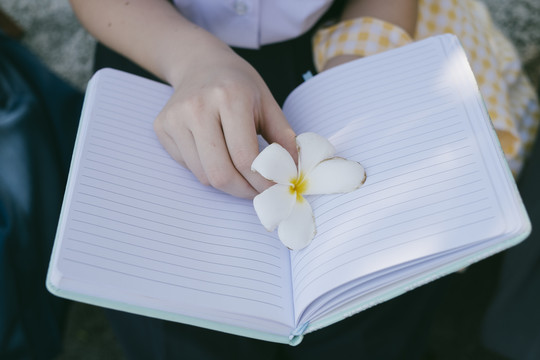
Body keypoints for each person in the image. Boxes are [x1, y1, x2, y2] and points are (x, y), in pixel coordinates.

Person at [66, 0, 539, 359]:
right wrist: (192, 60)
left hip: (343, 35)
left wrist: (353, 65)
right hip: (160, 42)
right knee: (176, 304)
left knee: (375, 290)